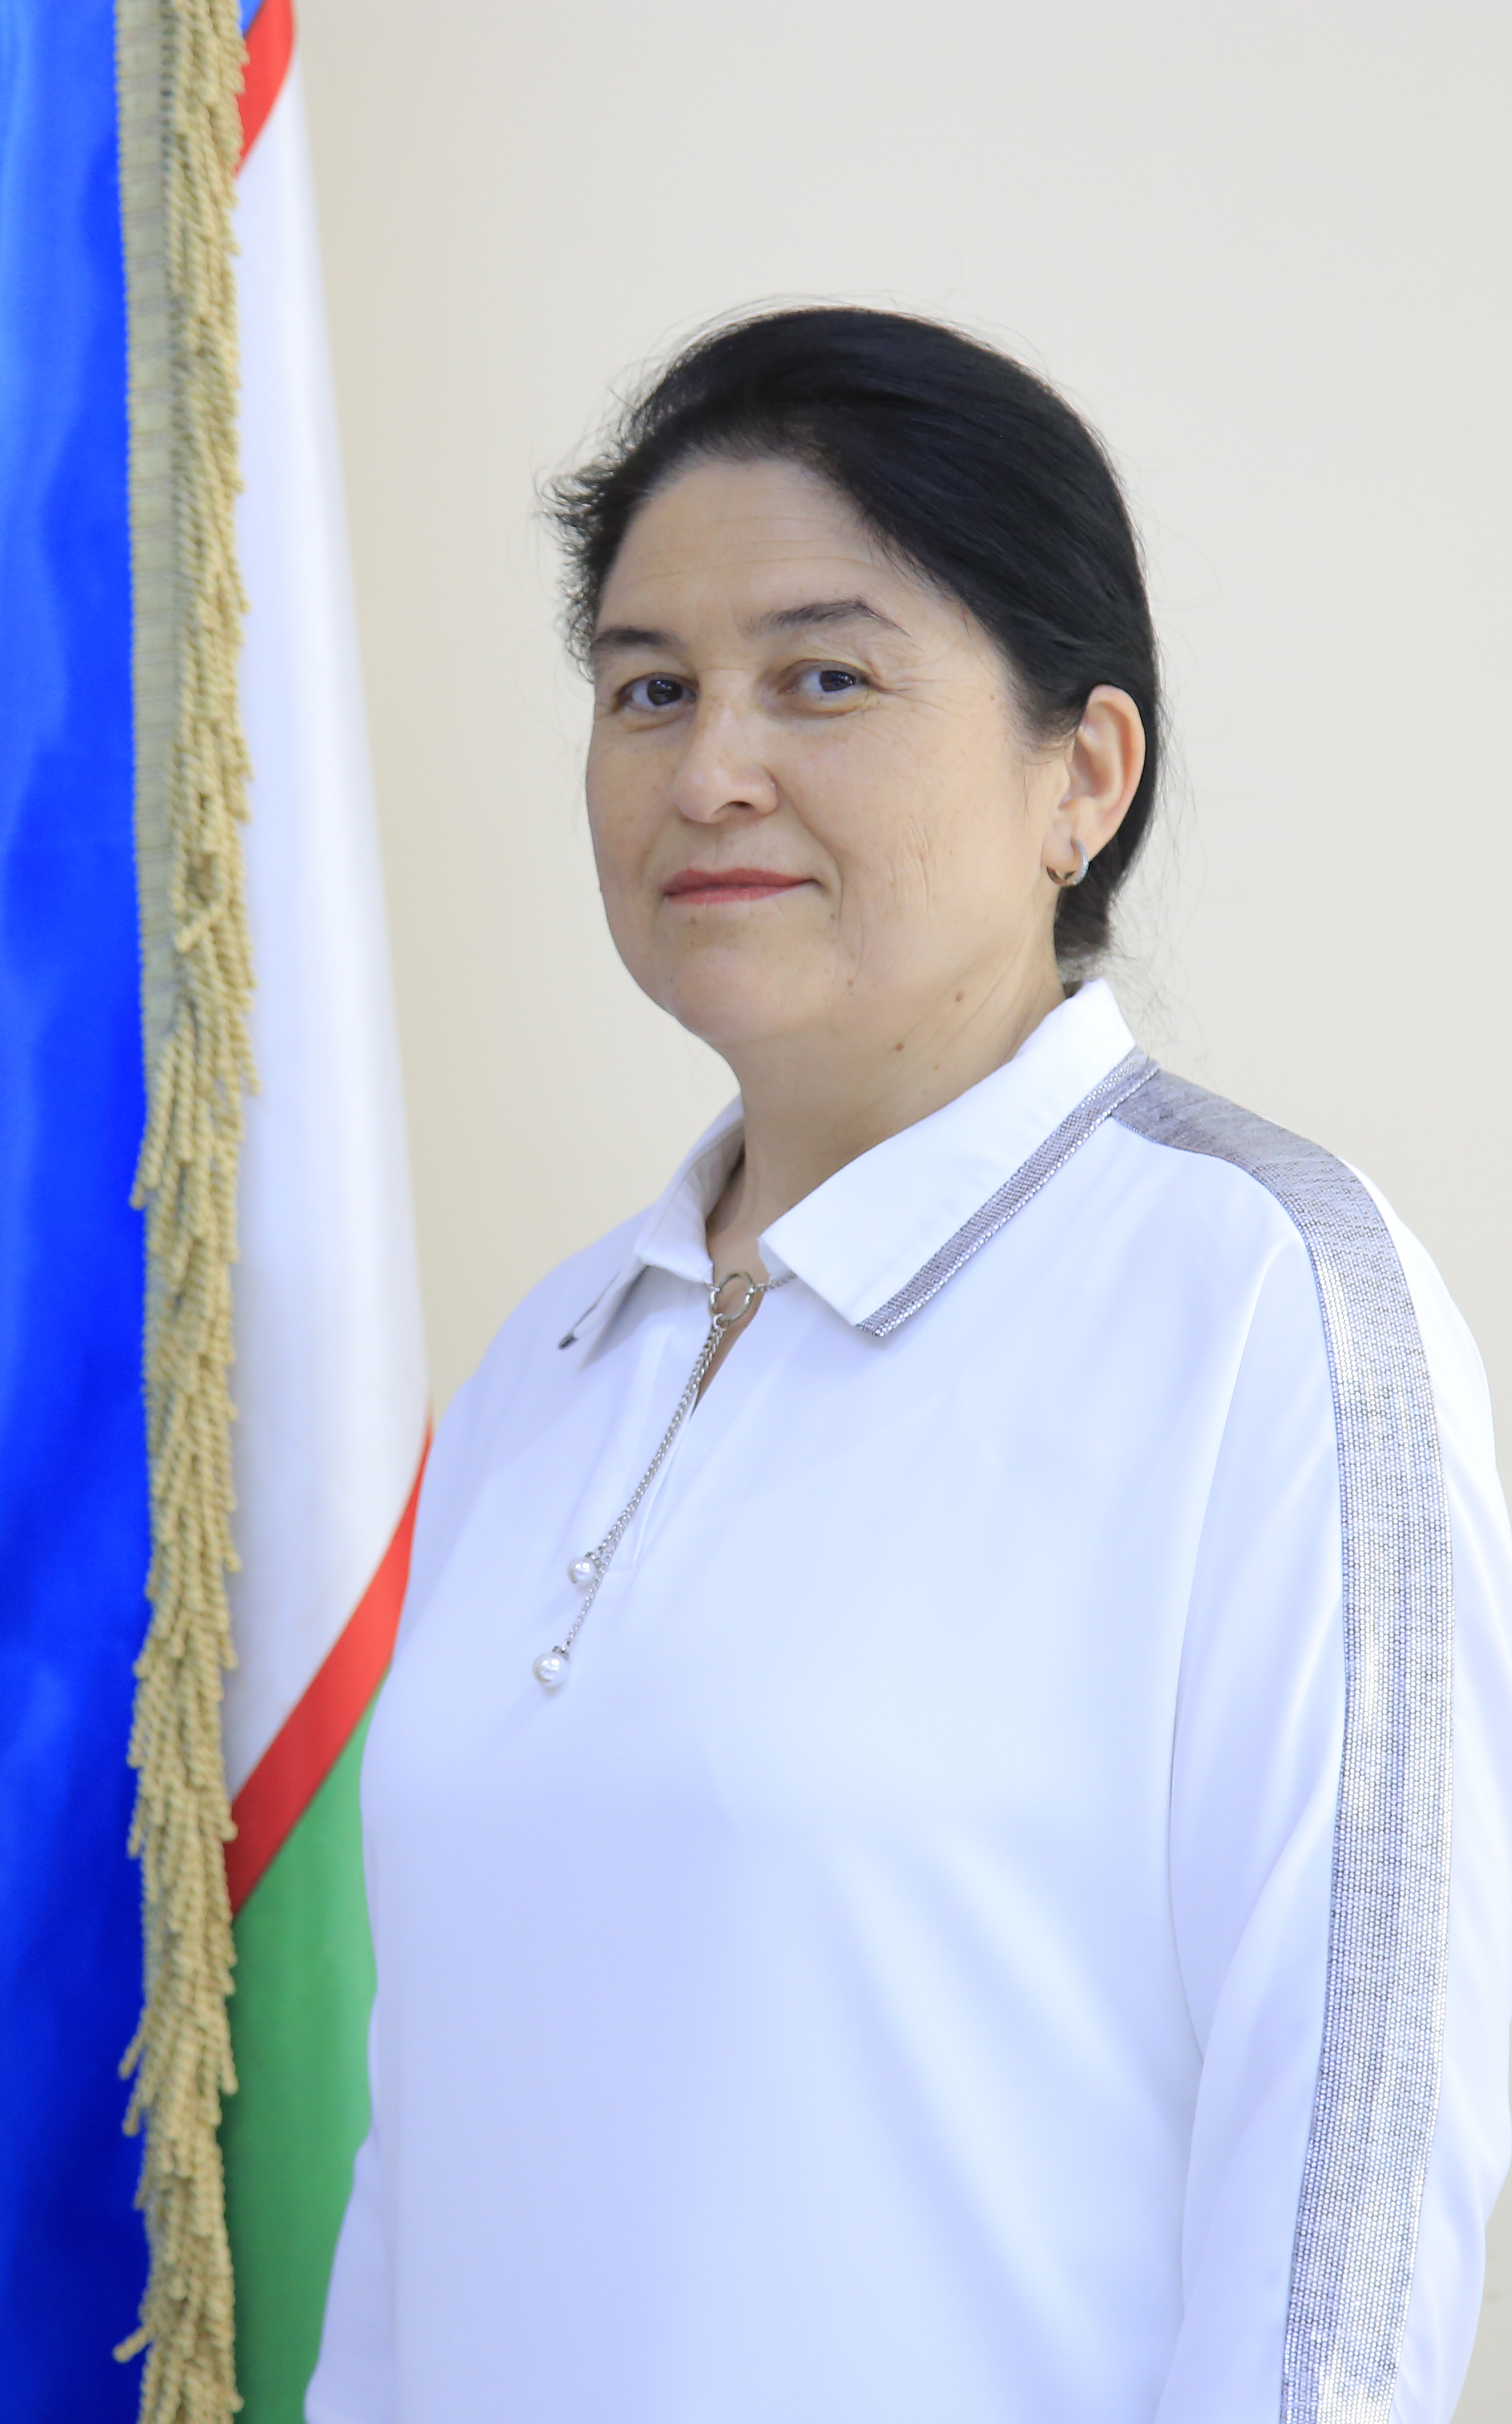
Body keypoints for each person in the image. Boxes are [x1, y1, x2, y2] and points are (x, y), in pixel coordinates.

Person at [307, 307, 1512, 2424]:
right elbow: (420, 2192)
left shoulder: (1254, 1304)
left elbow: (1341, 2220)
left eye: (822, 678)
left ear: (1082, 774)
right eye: (647, 687)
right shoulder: (548, 1371)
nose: (709, 768)